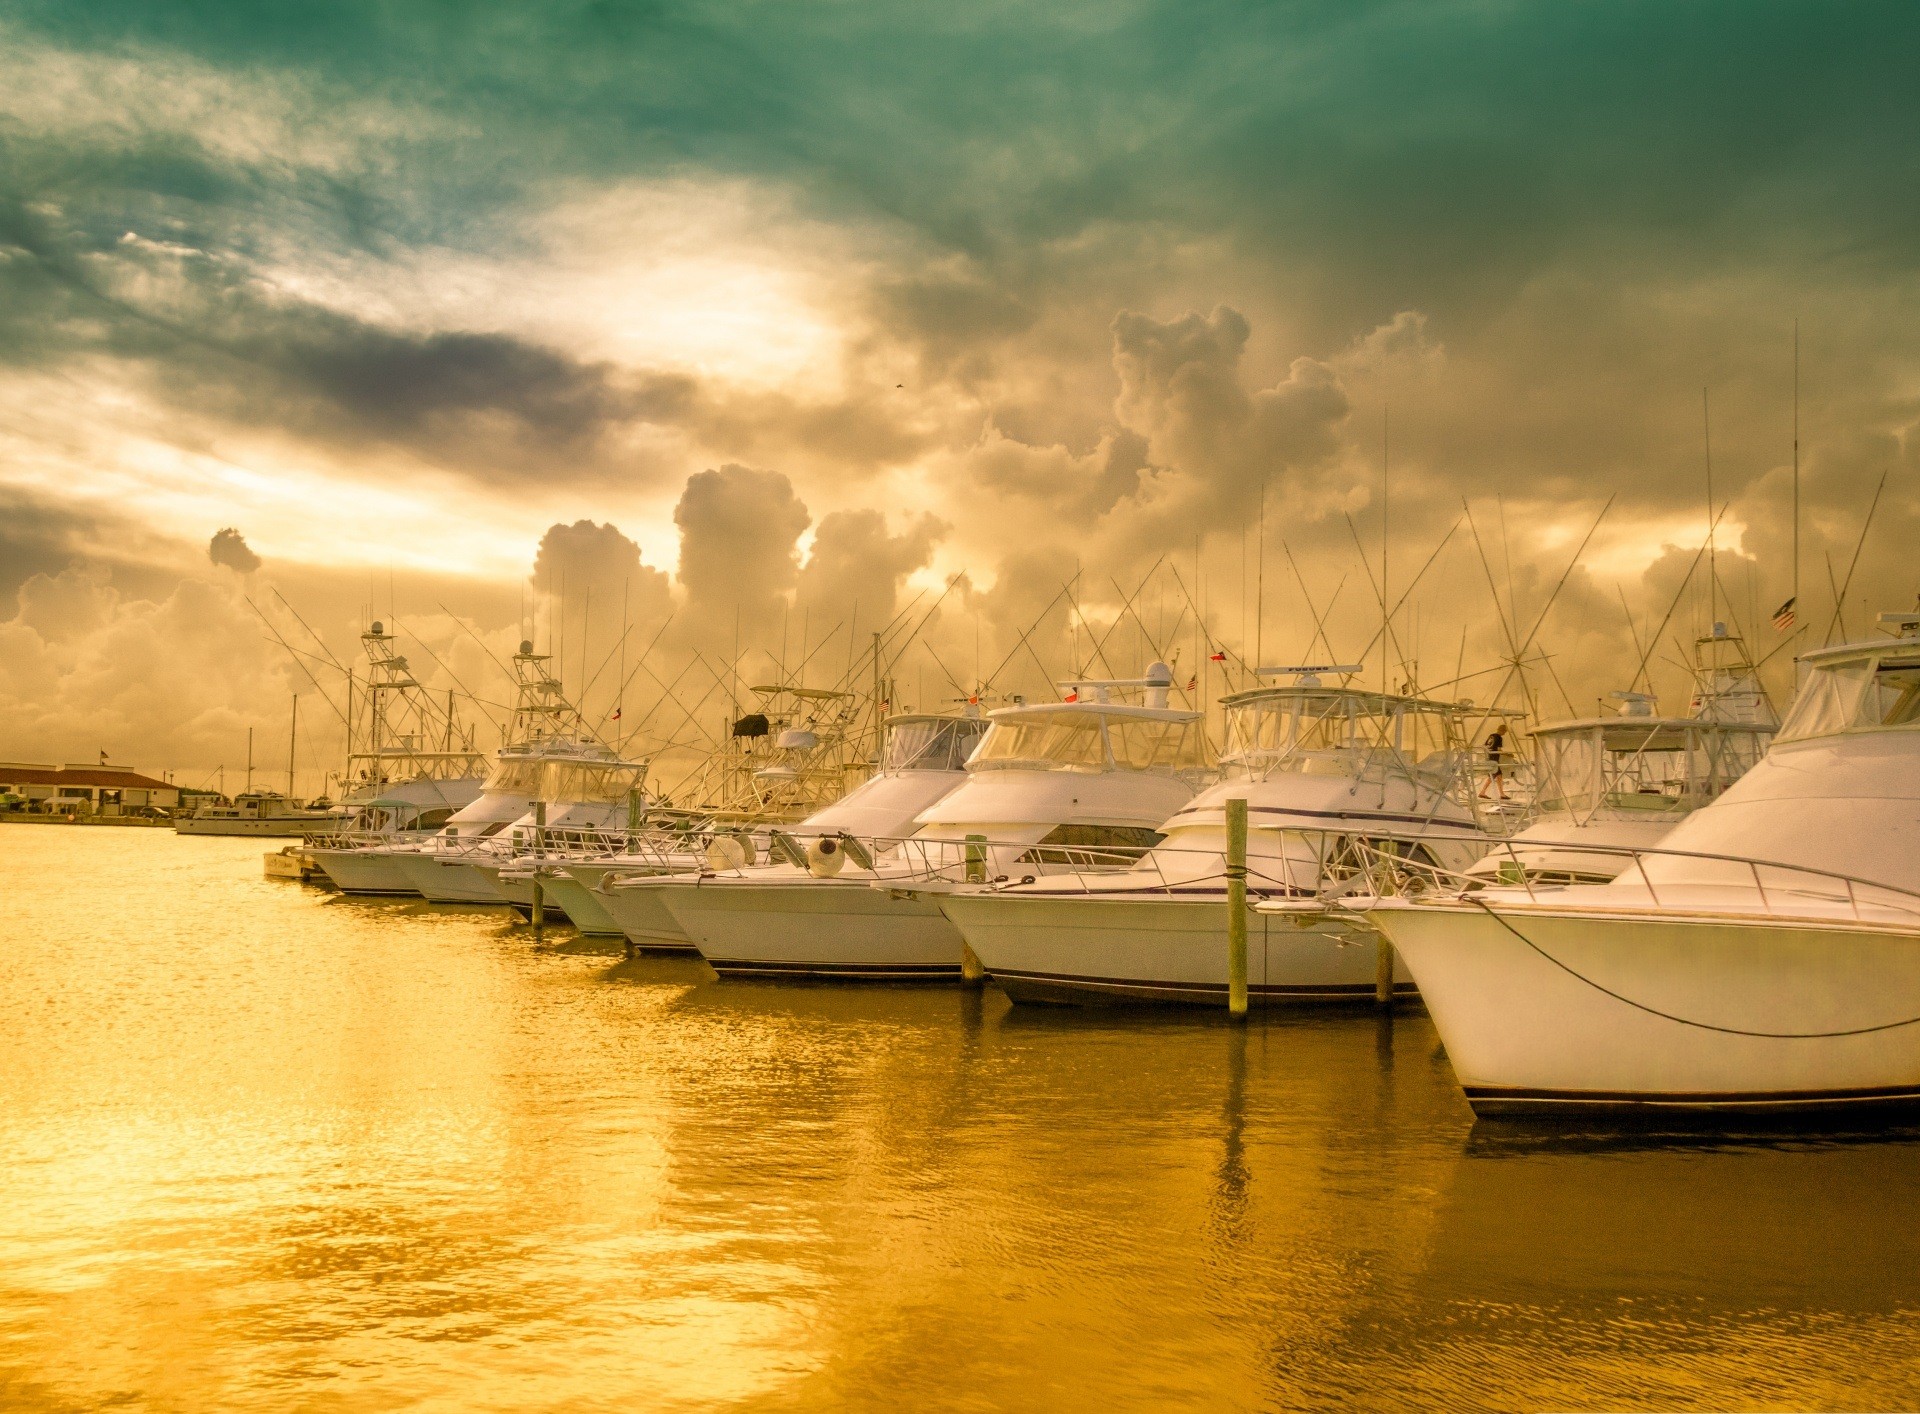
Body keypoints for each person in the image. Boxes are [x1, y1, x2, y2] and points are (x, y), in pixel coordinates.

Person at [1480, 726, 1506, 800]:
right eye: (1504, 731)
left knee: (1498, 776)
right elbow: (1498, 749)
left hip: (1489, 757)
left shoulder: (1491, 736)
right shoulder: (1499, 737)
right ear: (1502, 730)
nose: (1504, 733)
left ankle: (1502, 794)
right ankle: (1482, 792)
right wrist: (1508, 754)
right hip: (1494, 759)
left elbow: (1485, 746)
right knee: (1493, 776)